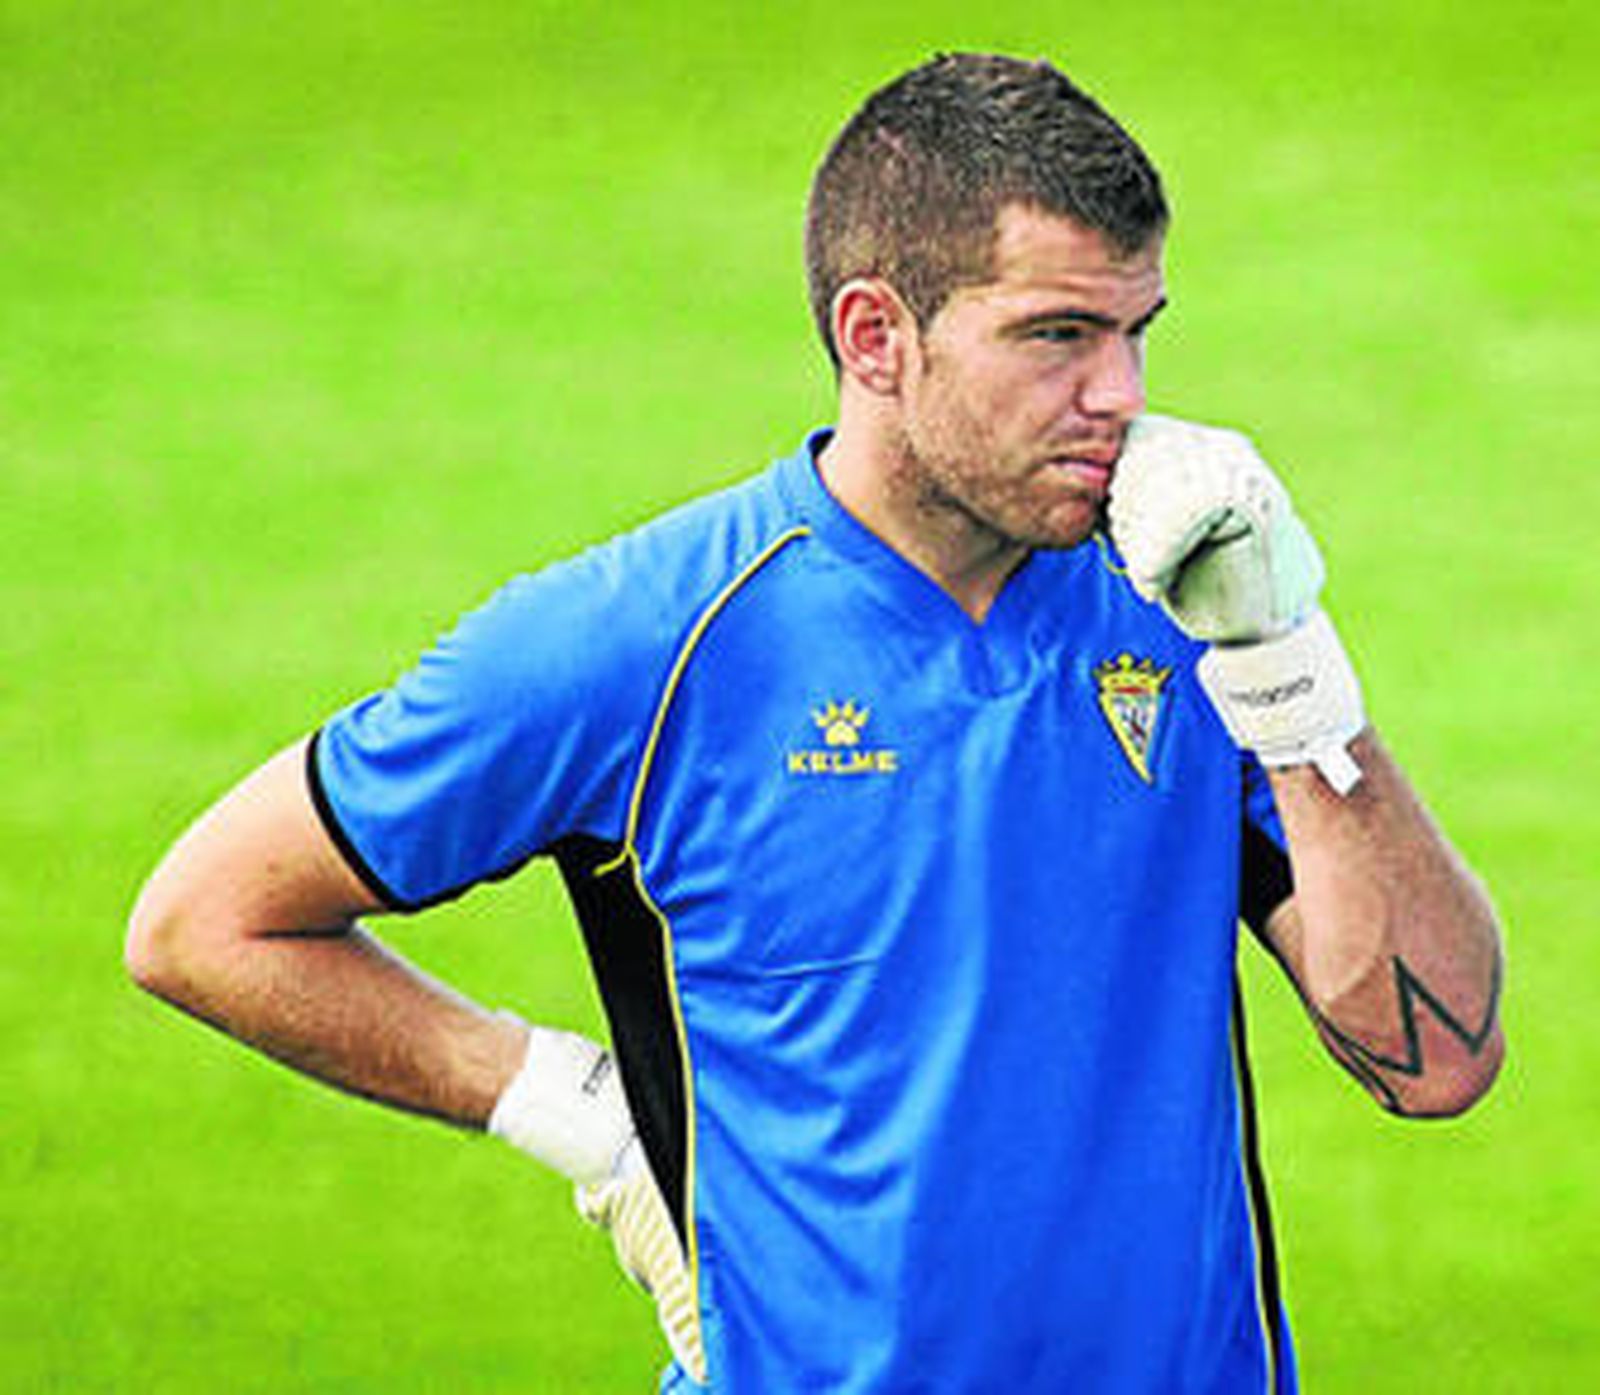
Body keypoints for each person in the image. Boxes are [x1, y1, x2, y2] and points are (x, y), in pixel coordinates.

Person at [126, 52, 1505, 1394]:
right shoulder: (642, 641)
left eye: (1136, 332)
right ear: (875, 337)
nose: (1123, 398)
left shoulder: (1186, 604)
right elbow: (206, 922)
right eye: (1058, 337)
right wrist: (579, 1117)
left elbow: (1438, 1058)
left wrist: (1285, 662)